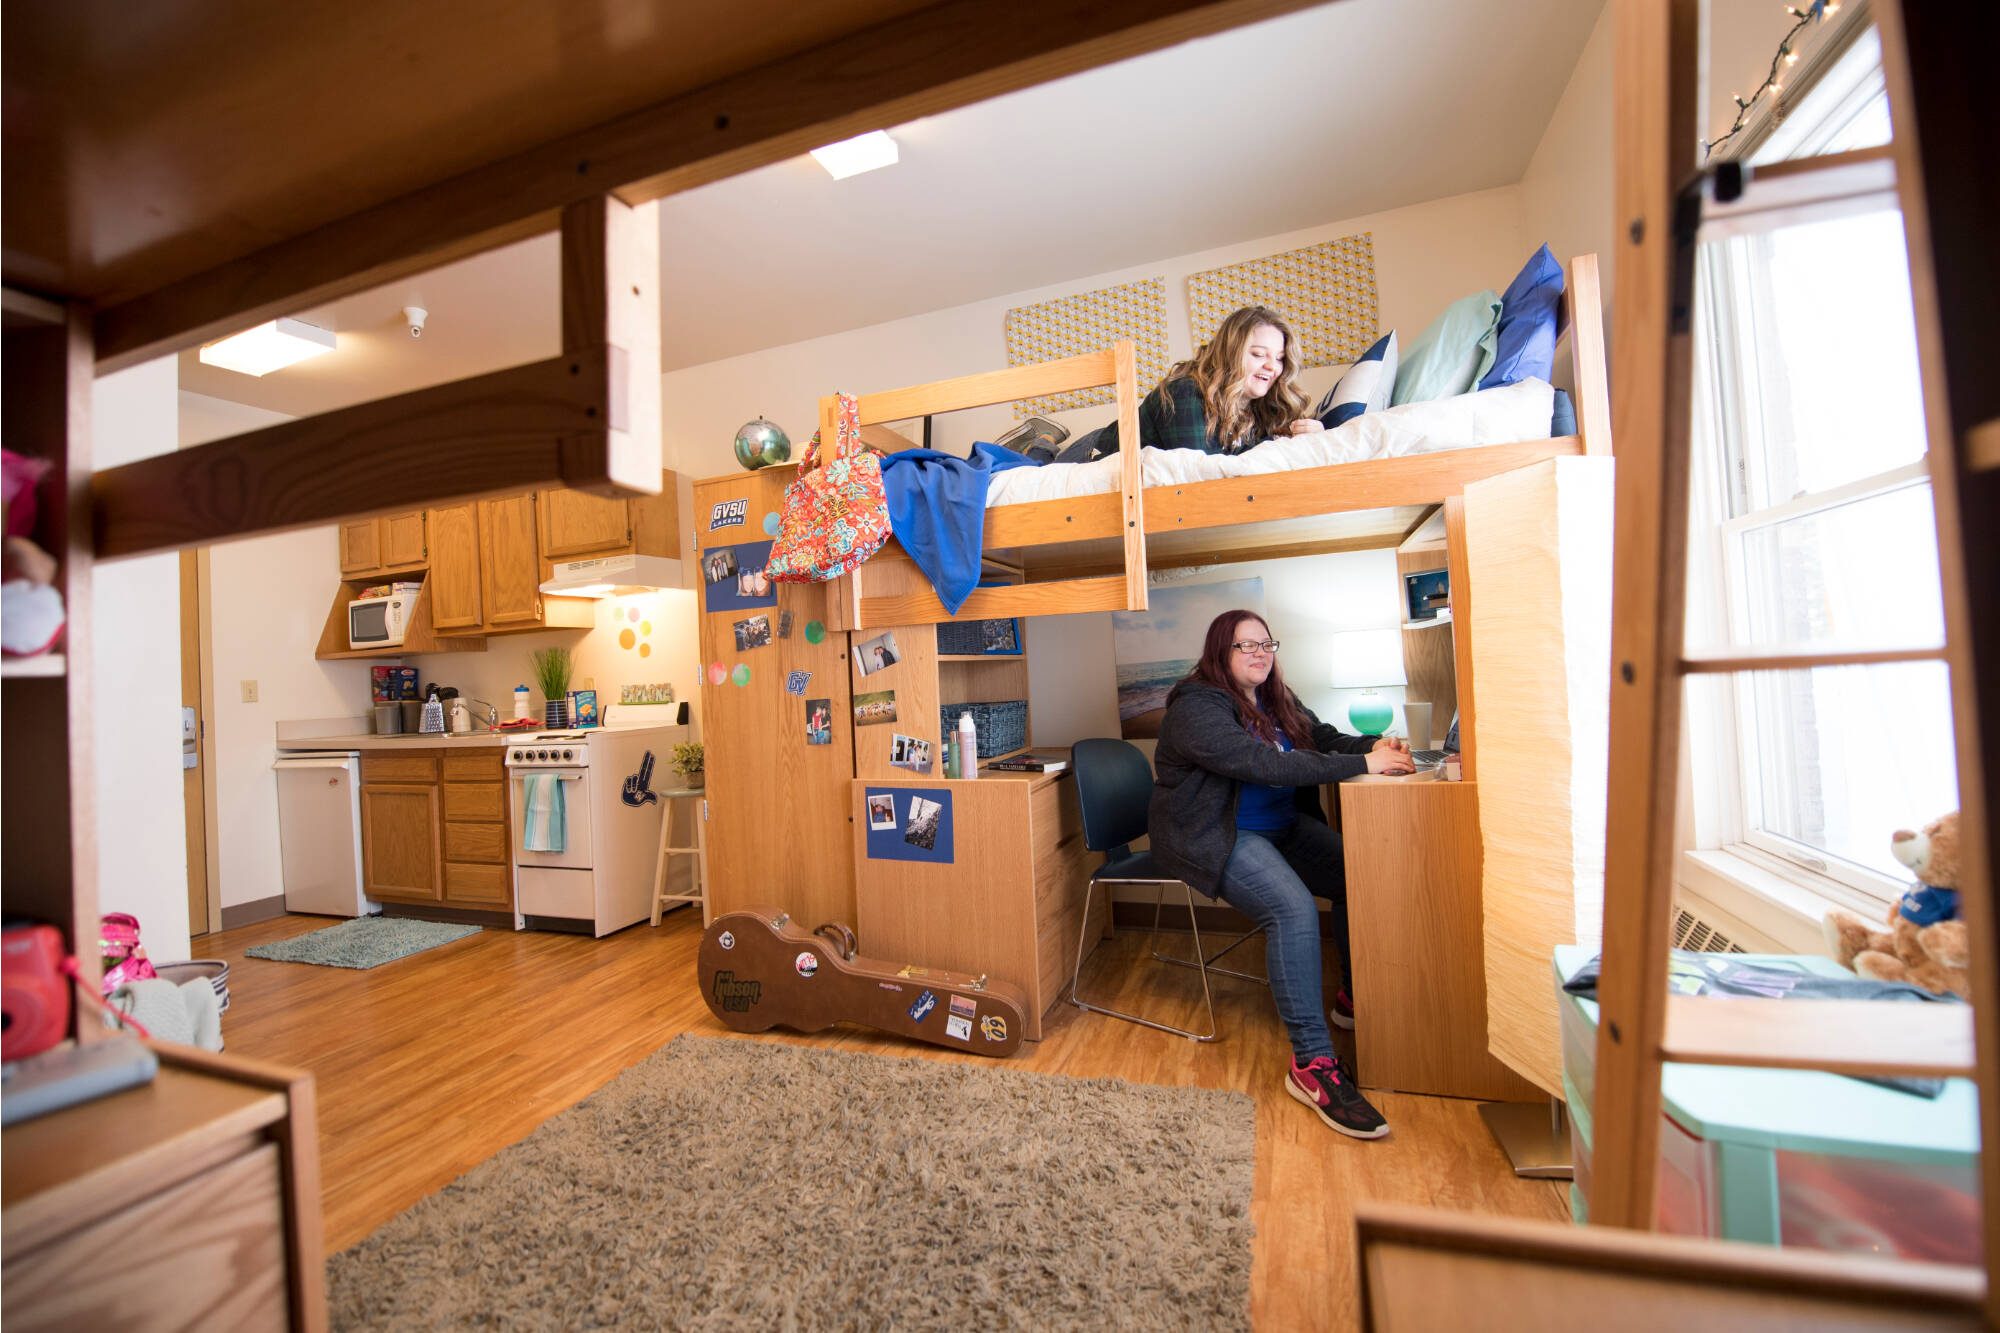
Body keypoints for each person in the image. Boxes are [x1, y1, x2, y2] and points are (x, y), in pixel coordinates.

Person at [1149, 610, 1413, 1140]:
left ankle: (1351, 997)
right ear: (1219, 652)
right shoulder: (1196, 706)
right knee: (1291, 910)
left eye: (1265, 642)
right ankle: (1312, 1065)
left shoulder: (1277, 699)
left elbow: (1325, 737)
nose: (1259, 652)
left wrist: (1375, 749)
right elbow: (1263, 766)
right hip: (1220, 836)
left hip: (1282, 828)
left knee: (1356, 873)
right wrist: (1365, 767)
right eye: (1245, 645)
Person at [1064, 306, 1321, 460]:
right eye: (1257, 354)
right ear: (1230, 353)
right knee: (1030, 466)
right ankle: (1039, 443)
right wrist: (1278, 442)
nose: (1272, 367)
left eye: (1279, 359)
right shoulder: (1185, 393)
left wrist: (1309, 435)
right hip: (1090, 452)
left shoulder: (1261, 409)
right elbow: (1202, 469)